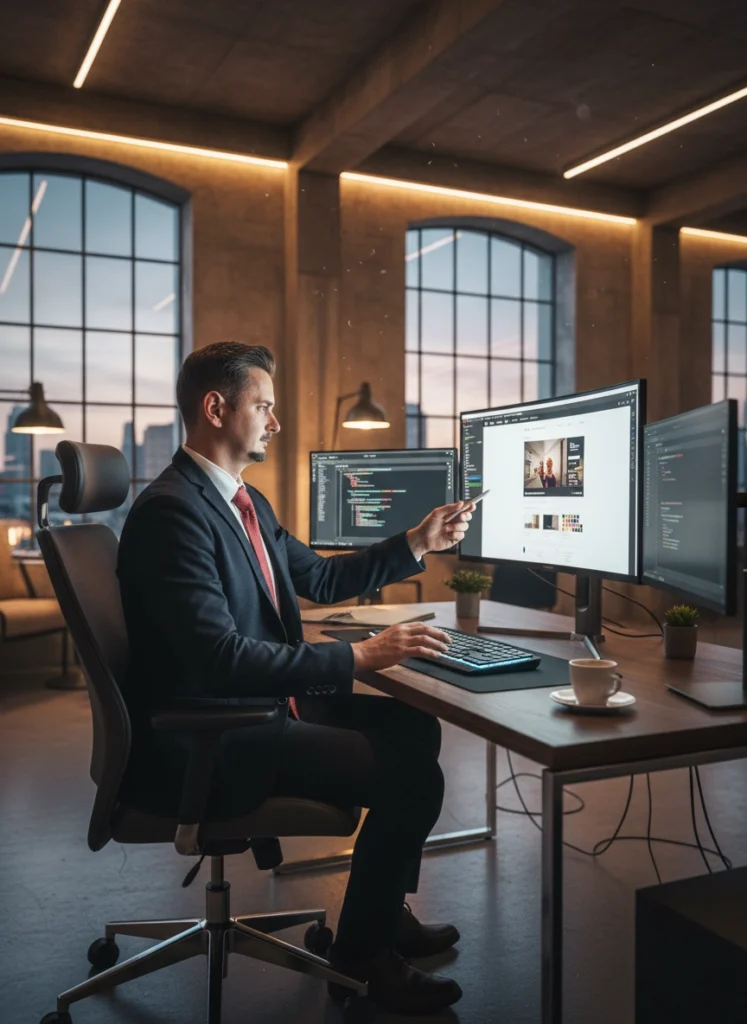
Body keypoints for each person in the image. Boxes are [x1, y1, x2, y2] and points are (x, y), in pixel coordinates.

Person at [117, 342, 475, 1016]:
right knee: (411, 776)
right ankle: (362, 955)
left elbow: (321, 579)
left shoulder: (241, 501)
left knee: (413, 726)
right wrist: (360, 657)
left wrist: (416, 544)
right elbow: (217, 658)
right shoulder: (173, 513)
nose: (275, 422)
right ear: (216, 408)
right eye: (264, 405)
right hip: (210, 737)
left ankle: (381, 913)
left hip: (251, 710)